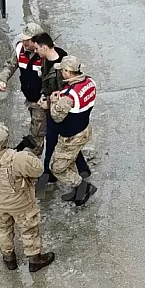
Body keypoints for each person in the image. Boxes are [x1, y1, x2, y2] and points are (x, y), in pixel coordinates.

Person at [0, 123, 55, 273]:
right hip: (22, 204)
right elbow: (38, 170)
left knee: (4, 231)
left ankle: (9, 259)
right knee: (29, 231)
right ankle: (35, 260)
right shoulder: (17, 158)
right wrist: (27, 154)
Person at [31, 32, 91, 187]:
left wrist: (50, 104)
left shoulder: (66, 86)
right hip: (77, 123)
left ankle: (49, 174)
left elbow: (61, 109)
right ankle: (83, 170)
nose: (35, 51)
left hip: (62, 116)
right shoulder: (87, 81)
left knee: (53, 144)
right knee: (70, 148)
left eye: (37, 48)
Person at [47, 56, 98, 206]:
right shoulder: (90, 83)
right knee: (69, 160)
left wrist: (53, 101)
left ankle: (82, 186)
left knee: (56, 168)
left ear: (69, 72)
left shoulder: (68, 95)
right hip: (84, 130)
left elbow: (56, 116)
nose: (61, 73)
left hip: (71, 137)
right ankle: (78, 193)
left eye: (62, 70)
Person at [0, 22, 47, 156]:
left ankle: (34, 159)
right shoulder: (20, 49)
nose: (24, 42)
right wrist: (3, 79)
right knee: (39, 127)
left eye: (27, 40)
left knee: (37, 131)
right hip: (30, 97)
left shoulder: (45, 54)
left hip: (41, 100)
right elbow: (10, 65)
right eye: (23, 39)